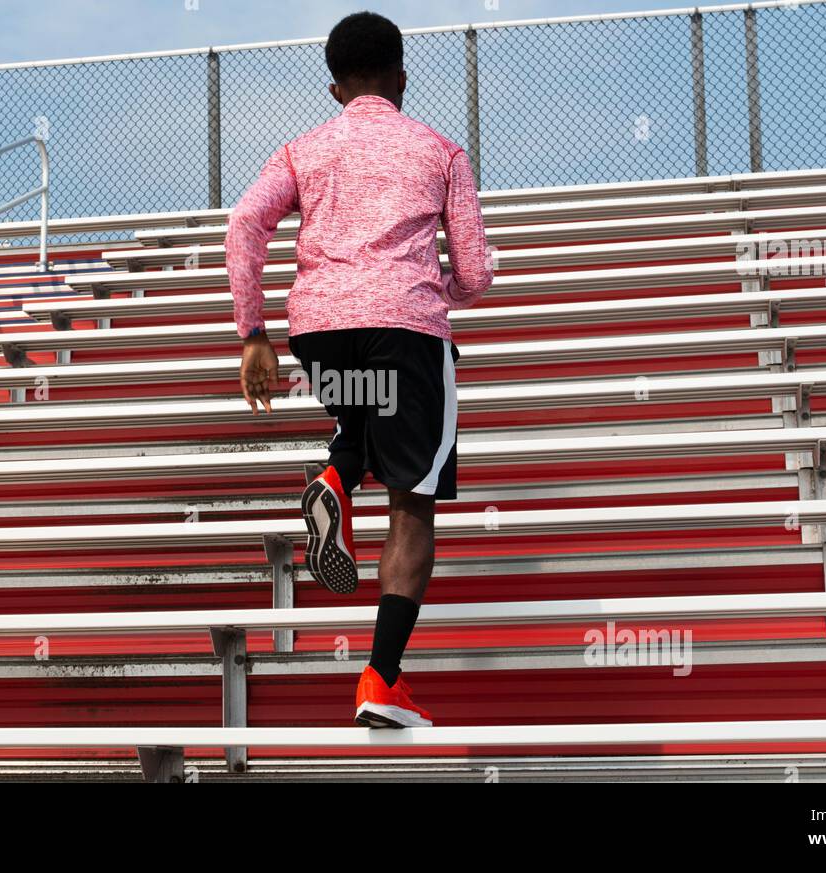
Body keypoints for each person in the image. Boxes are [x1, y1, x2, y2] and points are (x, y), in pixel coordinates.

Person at [225, 10, 493, 727]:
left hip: (319, 331)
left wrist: (253, 334)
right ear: (402, 78)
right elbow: (472, 273)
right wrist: (449, 284)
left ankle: (338, 475)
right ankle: (380, 679)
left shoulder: (301, 150)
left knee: (360, 416)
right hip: (405, 328)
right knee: (412, 501)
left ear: (335, 88)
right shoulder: (441, 150)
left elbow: (245, 223)